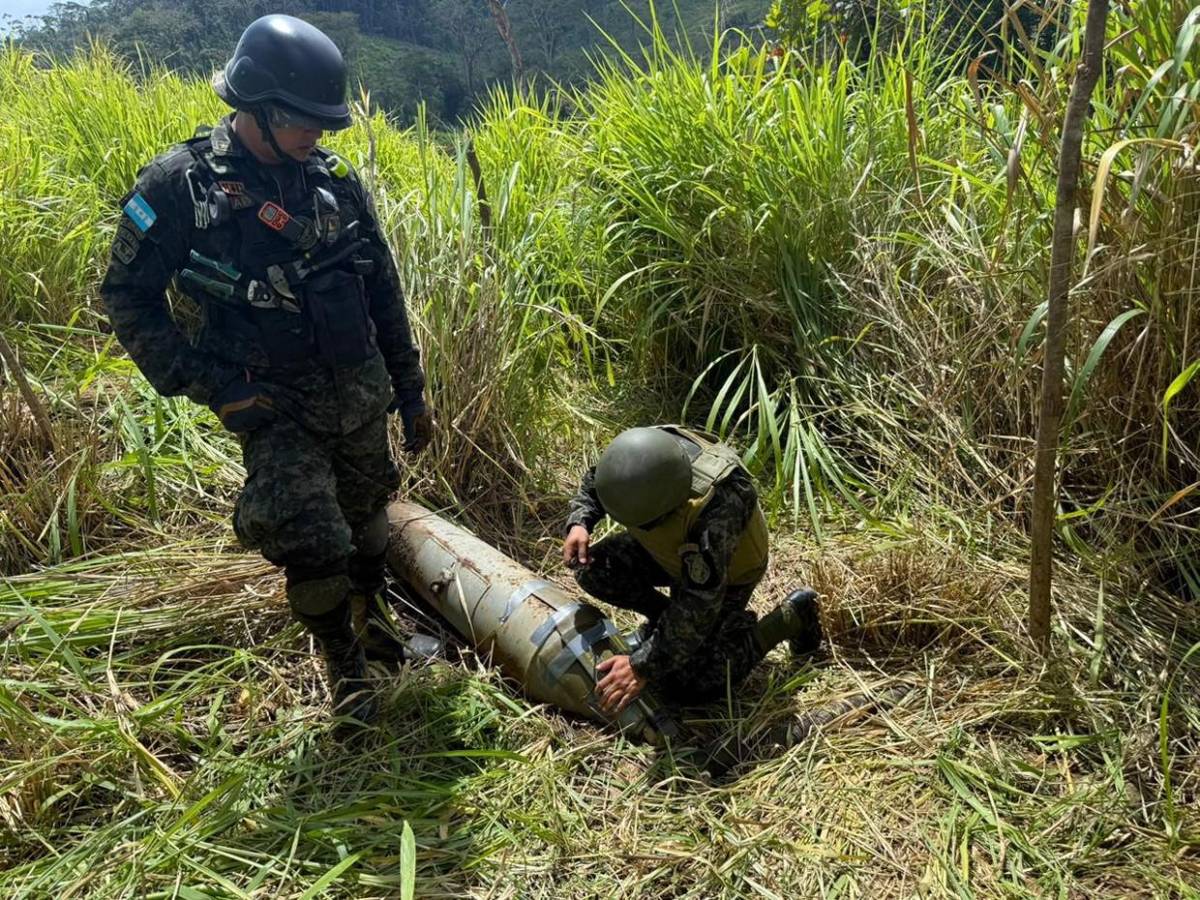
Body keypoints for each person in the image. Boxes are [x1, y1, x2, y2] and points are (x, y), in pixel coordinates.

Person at [100, 15, 430, 728]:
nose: (319, 135)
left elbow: (383, 288)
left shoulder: (334, 181)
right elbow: (125, 297)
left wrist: (410, 389)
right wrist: (213, 387)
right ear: (260, 109)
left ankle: (374, 619)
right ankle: (343, 662)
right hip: (272, 405)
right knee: (310, 537)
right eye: (305, 121)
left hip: (358, 390)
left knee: (368, 519)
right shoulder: (180, 186)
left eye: (324, 122)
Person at [562, 426, 822, 714]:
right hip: (672, 553)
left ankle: (788, 619)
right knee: (594, 568)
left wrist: (641, 666)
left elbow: (699, 603)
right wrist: (580, 523)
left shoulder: (722, 503)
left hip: (727, 575)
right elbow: (599, 482)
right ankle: (664, 627)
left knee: (689, 683)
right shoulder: (644, 455)